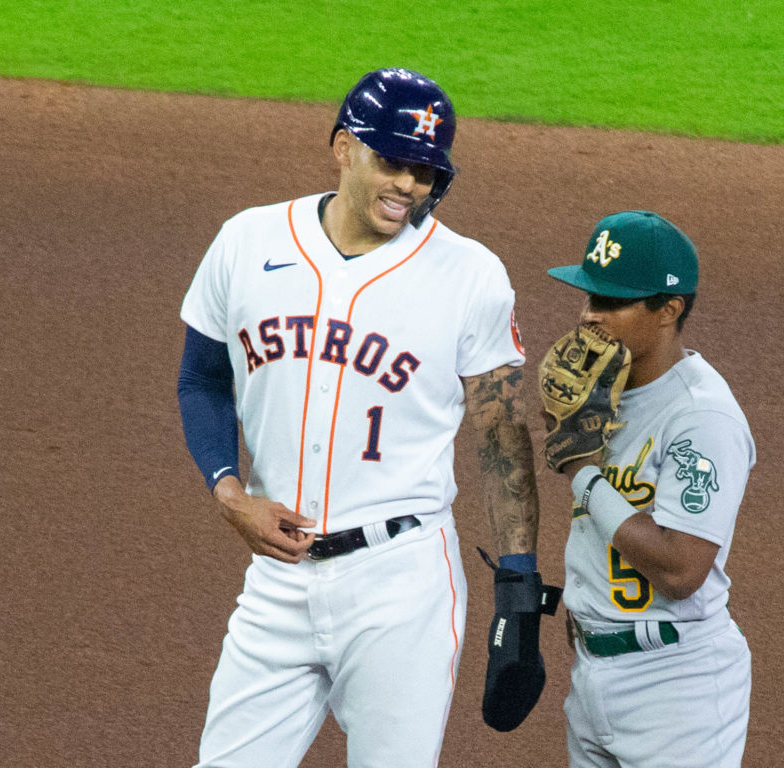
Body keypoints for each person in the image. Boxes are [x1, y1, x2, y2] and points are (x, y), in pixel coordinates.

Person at [176, 67, 543, 768]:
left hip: (400, 585)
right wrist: (229, 492)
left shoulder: (470, 275)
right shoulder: (247, 243)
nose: (410, 185)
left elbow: (501, 432)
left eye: (427, 171)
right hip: (277, 579)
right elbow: (201, 379)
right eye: (393, 162)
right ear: (343, 147)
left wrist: (519, 587)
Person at [543, 210, 754, 767]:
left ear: (669, 310)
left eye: (612, 303)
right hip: (593, 671)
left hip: (676, 688)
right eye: (589, 298)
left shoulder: (701, 416)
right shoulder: (597, 395)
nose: (590, 316)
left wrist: (583, 474)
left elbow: (682, 570)